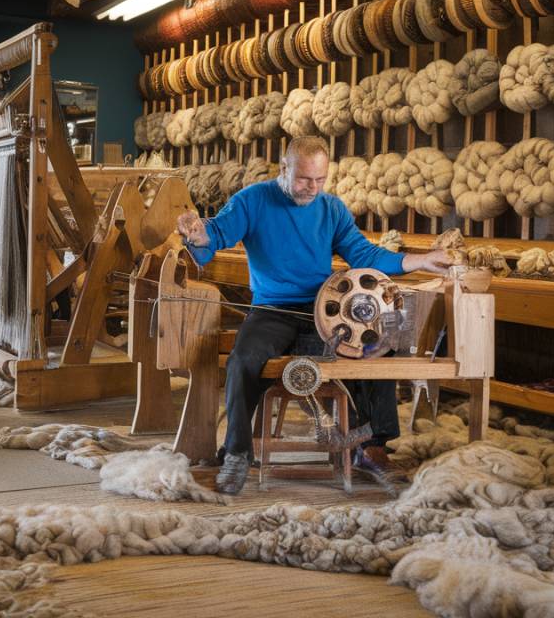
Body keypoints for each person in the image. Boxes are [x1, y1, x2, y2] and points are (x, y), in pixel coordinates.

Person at [177, 136, 452, 494]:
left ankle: (371, 449)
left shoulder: (331, 209)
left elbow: (363, 253)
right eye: (305, 179)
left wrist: (421, 260)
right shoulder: (252, 200)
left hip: (323, 311)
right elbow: (217, 232)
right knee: (243, 361)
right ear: (284, 167)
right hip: (271, 310)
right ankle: (237, 454)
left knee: (379, 345)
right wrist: (198, 236)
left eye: (321, 180)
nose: (313, 188)